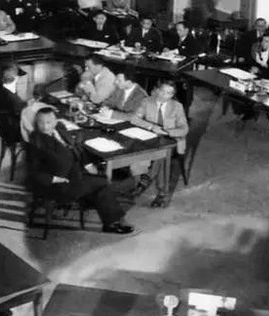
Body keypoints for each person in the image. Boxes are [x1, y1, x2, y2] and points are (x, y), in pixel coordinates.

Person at [26, 107, 135, 234]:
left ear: (56, 121)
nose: (45, 126)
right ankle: (114, 221)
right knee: (103, 182)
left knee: (101, 183)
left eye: (48, 122)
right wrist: (55, 179)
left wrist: (87, 165)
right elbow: (33, 173)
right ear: (36, 123)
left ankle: (111, 221)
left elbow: (76, 148)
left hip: (76, 174)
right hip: (60, 185)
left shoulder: (60, 128)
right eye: (41, 122)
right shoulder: (35, 142)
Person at [130, 80, 188, 208]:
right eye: (162, 91)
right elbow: (134, 119)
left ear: (172, 95)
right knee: (160, 156)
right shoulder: (147, 101)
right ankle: (161, 194)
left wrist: (168, 132)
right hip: (150, 138)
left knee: (162, 154)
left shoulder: (177, 106)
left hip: (170, 140)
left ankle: (147, 179)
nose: (163, 95)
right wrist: (151, 126)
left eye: (168, 93)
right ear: (157, 90)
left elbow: (184, 129)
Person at [0, 63, 27, 146]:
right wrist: (29, 104)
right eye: (17, 76)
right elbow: (21, 111)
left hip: (5, 123)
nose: (19, 78)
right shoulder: (11, 96)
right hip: (14, 128)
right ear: (15, 77)